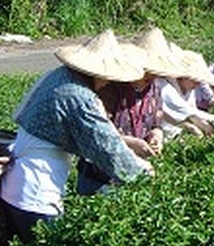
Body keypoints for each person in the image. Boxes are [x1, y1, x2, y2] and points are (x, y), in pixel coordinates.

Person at [0, 29, 154, 246]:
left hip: (14, 183)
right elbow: (106, 146)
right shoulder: (78, 96)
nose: (108, 82)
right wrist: (142, 175)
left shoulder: (57, 76)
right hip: (36, 193)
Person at [76, 27, 188, 196]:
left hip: (132, 171)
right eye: (147, 70)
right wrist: (132, 143)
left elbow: (155, 123)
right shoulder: (111, 87)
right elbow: (97, 132)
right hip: (100, 174)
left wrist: (157, 136)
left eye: (155, 72)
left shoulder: (153, 89)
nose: (151, 75)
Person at [159, 46, 214, 140]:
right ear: (183, 76)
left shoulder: (189, 89)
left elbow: (191, 110)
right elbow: (183, 110)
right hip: (160, 136)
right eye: (195, 80)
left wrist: (200, 124)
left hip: (176, 134)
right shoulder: (164, 87)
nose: (198, 84)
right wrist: (204, 122)